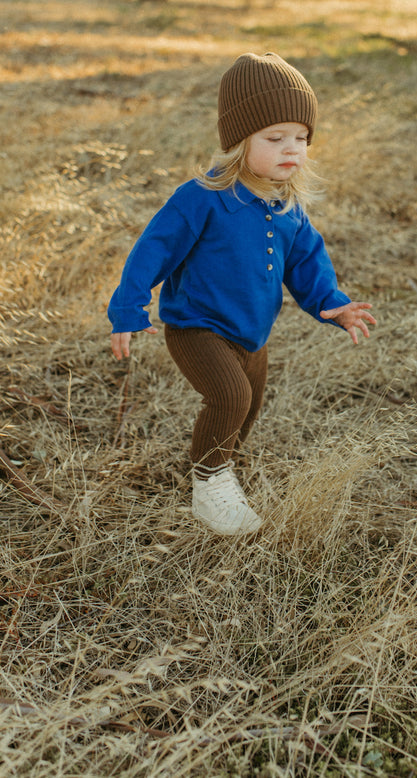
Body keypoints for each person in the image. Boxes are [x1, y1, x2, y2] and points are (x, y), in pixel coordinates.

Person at [108, 52, 375, 537]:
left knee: (249, 404)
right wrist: (128, 307)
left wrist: (329, 302)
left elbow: (306, 262)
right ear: (238, 141)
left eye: (301, 138)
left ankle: (224, 468)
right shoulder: (203, 197)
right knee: (228, 396)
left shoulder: (287, 204)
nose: (291, 148)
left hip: (252, 332)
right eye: (274, 138)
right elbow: (153, 252)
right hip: (197, 327)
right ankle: (209, 487)